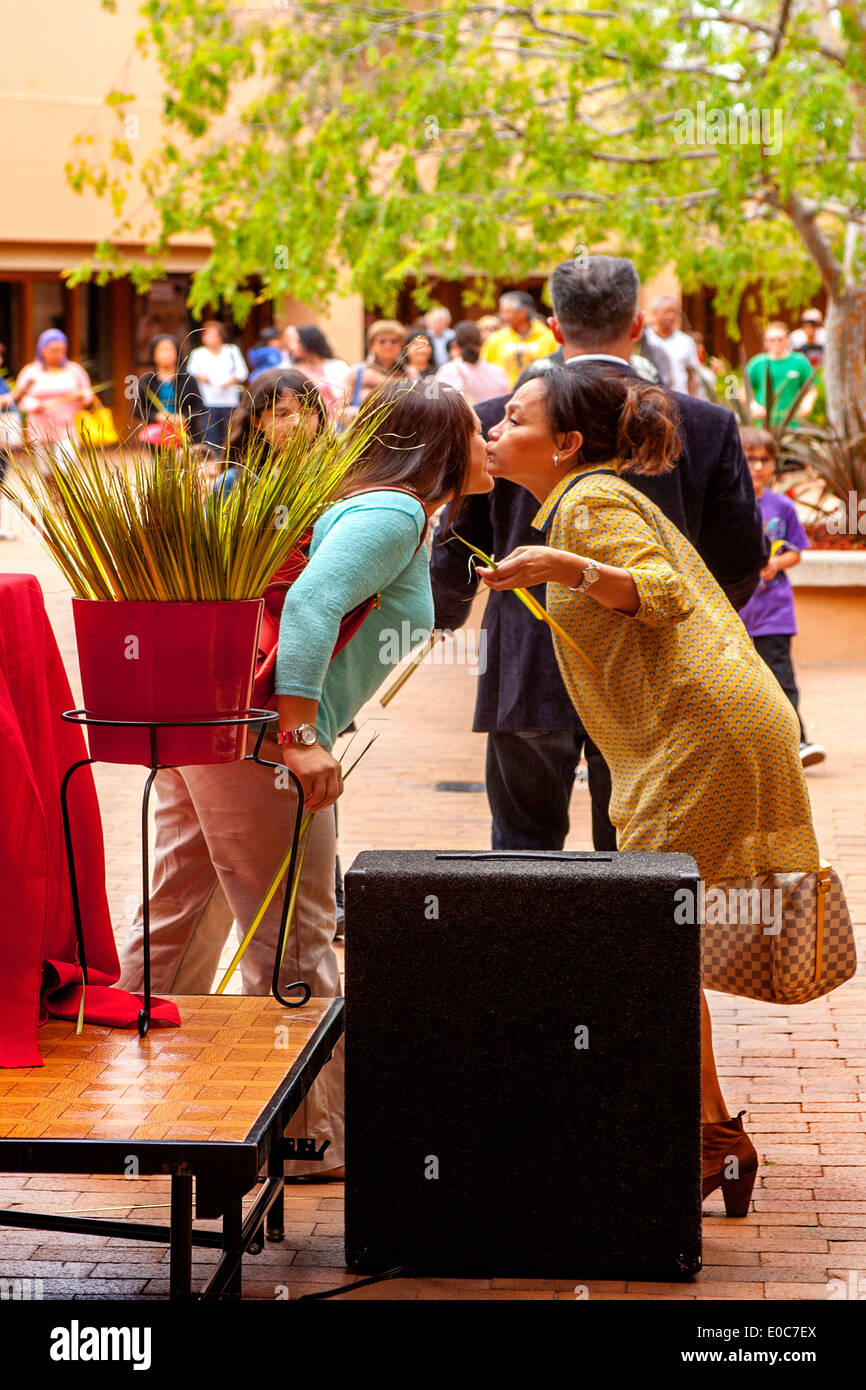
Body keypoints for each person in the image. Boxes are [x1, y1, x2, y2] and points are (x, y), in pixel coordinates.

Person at [117, 378, 494, 1179]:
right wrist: (299, 735)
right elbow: (315, 604)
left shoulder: (369, 505)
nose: (488, 442)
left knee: (180, 914)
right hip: (263, 743)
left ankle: (151, 1105)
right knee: (296, 936)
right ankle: (309, 1139)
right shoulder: (392, 511)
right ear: (441, 444)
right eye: (478, 429)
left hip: (214, 725)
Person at [479, 363, 820, 1213]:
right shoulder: (582, 496)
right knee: (659, 937)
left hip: (699, 734)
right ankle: (713, 1139)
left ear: (564, 444)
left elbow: (663, 595)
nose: (493, 429)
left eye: (512, 419)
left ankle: (703, 1138)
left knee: (652, 935)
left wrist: (566, 562)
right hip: (702, 728)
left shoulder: (588, 503)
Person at [430, 254, 766, 854]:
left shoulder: (493, 423)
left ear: (554, 328)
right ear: (637, 324)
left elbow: (455, 546)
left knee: (522, 850)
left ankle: (527, 952)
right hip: (654, 670)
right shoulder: (706, 423)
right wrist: (697, 632)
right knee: (636, 858)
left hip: (529, 664)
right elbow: (741, 556)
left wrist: (444, 614)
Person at [738, 428, 826, 768]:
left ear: (774, 464)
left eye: (765, 459)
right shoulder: (727, 505)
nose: (758, 466)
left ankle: (798, 742)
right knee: (740, 683)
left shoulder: (782, 506)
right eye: (750, 459)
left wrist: (776, 562)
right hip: (737, 613)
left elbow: (796, 552)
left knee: (781, 678)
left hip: (775, 613)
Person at [213, 368, 327, 498]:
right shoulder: (235, 483)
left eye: (307, 413)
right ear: (257, 421)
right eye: (282, 414)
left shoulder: (333, 476)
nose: (297, 423)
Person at [0, 329, 93, 462]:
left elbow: (87, 394)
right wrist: (34, 404)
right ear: (42, 350)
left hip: (67, 428)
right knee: (46, 471)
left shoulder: (74, 370)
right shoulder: (31, 371)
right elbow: (20, 398)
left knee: (65, 468)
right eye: (53, 350)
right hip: (40, 428)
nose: (58, 354)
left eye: (61, 350)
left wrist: (82, 397)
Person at [186, 320, 249, 453]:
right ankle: (212, 463)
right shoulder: (198, 353)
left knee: (230, 434)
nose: (211, 338)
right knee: (210, 435)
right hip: (207, 401)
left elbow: (242, 372)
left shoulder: (232, 351)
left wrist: (230, 380)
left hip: (229, 401)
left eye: (214, 335)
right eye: (207, 335)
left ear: (221, 336)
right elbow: (191, 372)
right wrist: (203, 377)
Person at [133, 335, 205, 449]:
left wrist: (184, 417)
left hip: (186, 435)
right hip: (157, 436)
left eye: (170, 350)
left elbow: (200, 406)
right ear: (153, 354)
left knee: (184, 466)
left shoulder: (187, 379)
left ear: (177, 353)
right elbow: (137, 410)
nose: (166, 354)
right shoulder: (146, 381)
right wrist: (157, 416)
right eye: (162, 350)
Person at [745, 322, 817, 428]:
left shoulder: (800, 362)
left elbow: (811, 389)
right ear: (765, 342)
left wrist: (807, 404)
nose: (776, 343)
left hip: (792, 424)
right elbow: (743, 390)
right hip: (764, 425)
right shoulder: (757, 363)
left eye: (780, 339)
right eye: (772, 340)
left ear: (787, 340)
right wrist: (753, 406)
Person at [481, 292, 558, 388]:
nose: (502, 316)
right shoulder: (496, 339)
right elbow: (484, 369)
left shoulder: (549, 338)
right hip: (504, 398)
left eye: (507, 312)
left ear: (522, 312)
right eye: (501, 311)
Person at [435, 320, 511, 404]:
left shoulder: (447, 372)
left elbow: (441, 404)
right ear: (481, 343)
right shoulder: (498, 371)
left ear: (455, 344)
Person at [284, 324, 352, 415]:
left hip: (333, 423)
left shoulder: (337, 367)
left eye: (297, 341)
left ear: (309, 342)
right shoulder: (290, 368)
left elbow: (346, 398)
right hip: (301, 422)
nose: (292, 346)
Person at [345, 320, 408, 416]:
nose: (388, 345)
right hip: (363, 428)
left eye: (394, 341)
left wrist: (382, 381)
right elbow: (339, 409)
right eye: (382, 341)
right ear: (371, 345)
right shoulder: (358, 371)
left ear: (401, 345)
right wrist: (356, 414)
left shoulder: (410, 373)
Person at [643, 297, 701, 395]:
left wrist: (693, 400)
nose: (671, 316)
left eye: (675, 312)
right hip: (651, 401)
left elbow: (691, 376)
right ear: (655, 312)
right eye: (666, 312)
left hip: (680, 400)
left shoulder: (686, 341)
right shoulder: (644, 340)